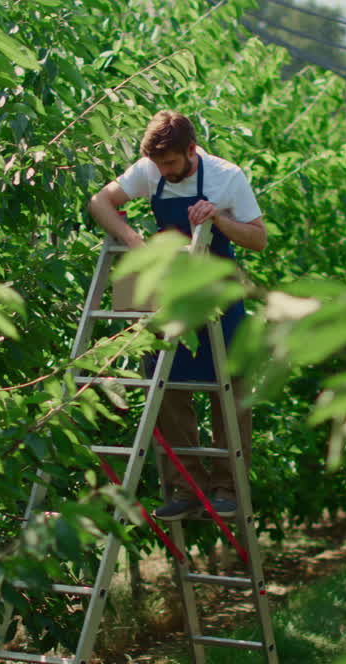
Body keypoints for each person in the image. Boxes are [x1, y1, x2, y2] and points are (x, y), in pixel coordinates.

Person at [87, 110, 267, 521]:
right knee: (167, 390)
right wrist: (133, 240)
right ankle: (186, 486)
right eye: (157, 164)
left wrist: (219, 219)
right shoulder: (150, 170)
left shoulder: (227, 177)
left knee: (231, 394)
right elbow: (100, 201)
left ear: (191, 150)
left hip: (220, 295)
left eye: (170, 163)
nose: (163, 171)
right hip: (170, 297)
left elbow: (258, 238)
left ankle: (228, 487)